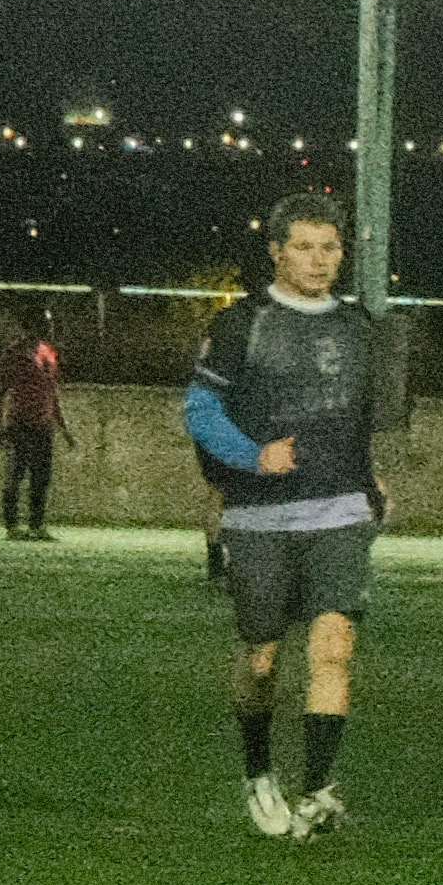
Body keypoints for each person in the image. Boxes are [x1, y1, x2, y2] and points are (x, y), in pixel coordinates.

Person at [183, 190, 385, 842]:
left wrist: (371, 478)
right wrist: (252, 455)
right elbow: (201, 413)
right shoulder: (243, 324)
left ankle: (318, 790)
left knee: (334, 646)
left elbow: (356, 418)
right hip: (260, 517)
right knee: (263, 659)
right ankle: (257, 769)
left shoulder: (358, 329)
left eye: (330, 247)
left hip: (339, 514)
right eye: (304, 246)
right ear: (275, 252)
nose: (319, 259)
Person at [0, 316, 65, 541]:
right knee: (15, 474)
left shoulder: (48, 353)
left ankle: (36, 524)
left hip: (43, 424)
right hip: (19, 423)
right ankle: (12, 525)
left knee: (41, 477)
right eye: (44, 323)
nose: (48, 327)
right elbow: (0, 391)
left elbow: (52, 392)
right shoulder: (13, 354)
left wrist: (61, 426)